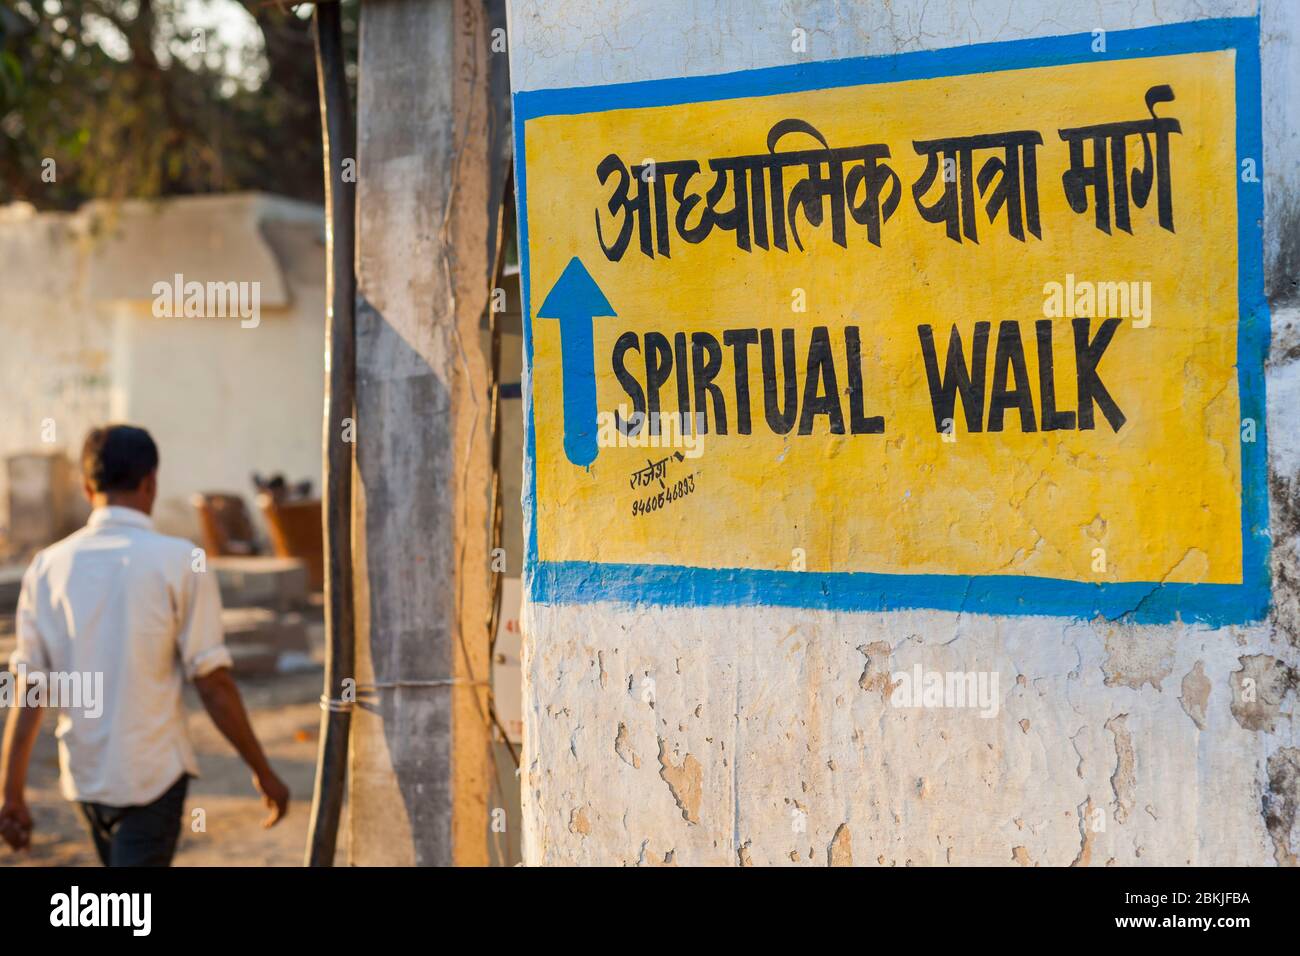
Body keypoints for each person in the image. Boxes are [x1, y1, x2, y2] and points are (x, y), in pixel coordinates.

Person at [0, 424, 289, 865]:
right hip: (154, 778)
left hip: (84, 779)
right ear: (151, 482)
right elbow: (212, 682)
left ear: (86, 486)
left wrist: (11, 791)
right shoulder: (180, 560)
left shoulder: (47, 567)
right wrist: (263, 772)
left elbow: (31, 689)